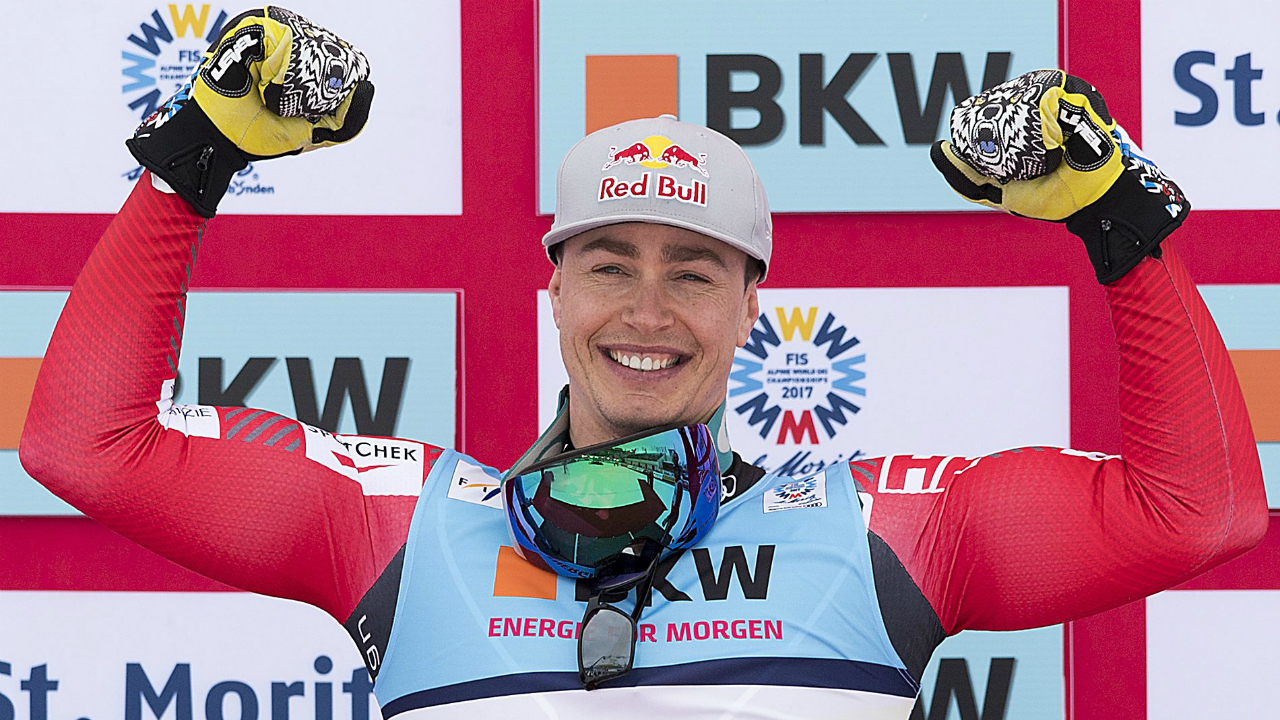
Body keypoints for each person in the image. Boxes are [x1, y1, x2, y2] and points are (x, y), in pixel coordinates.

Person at [19, 8, 1267, 719]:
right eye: (609, 263)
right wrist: (196, 155)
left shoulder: (880, 526)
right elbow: (84, 445)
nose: (649, 309)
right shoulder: (405, 523)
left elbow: (1197, 512)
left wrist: (1117, 223)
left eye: (695, 270)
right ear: (554, 290)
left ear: (751, 304)